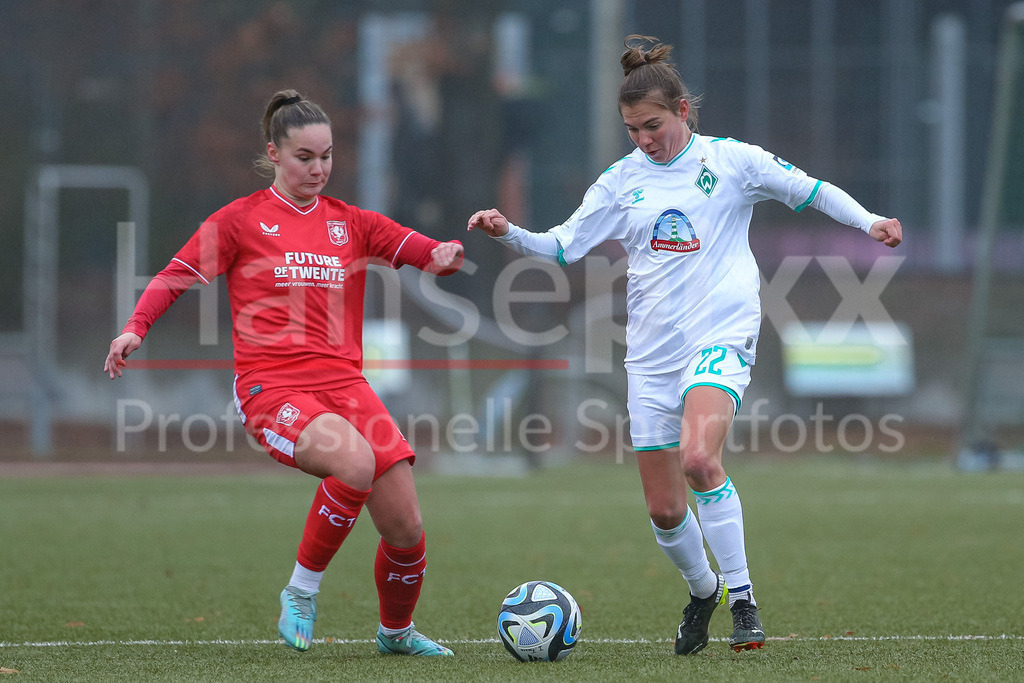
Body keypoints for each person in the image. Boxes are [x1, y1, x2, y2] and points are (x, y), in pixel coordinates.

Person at [468, 35, 902, 655]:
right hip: (650, 355)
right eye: (632, 129)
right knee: (667, 510)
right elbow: (562, 246)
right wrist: (509, 232)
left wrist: (870, 222)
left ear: (682, 111)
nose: (644, 139)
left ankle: (744, 598)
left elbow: (810, 189)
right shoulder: (621, 182)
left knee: (701, 460)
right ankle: (704, 592)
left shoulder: (732, 162)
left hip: (721, 333)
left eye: (653, 125)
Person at [104, 89, 464, 657]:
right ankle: (300, 592)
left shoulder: (352, 222)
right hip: (272, 388)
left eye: (326, 156)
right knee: (354, 461)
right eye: (304, 157)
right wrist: (135, 328)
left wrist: (443, 253)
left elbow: (421, 249)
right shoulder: (241, 220)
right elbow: (175, 273)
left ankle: (396, 633)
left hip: (347, 386)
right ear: (274, 153)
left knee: (406, 527)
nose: (318, 168)